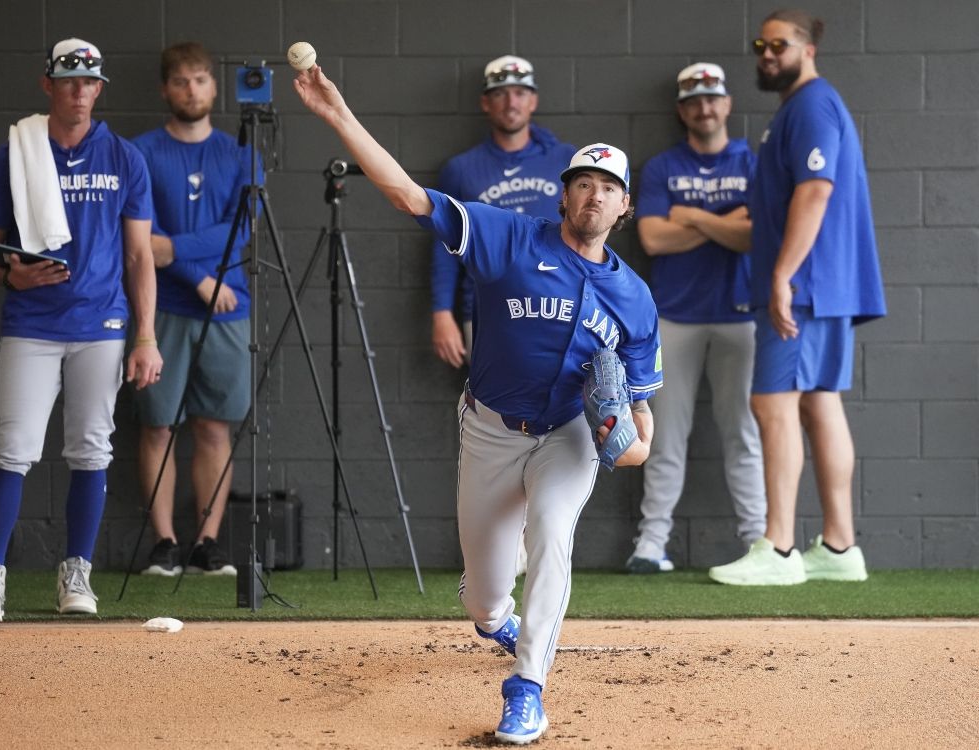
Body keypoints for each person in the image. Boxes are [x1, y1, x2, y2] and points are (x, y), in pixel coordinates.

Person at [292, 66, 662, 745]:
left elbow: (641, 415)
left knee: (553, 537)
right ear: (564, 194)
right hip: (491, 430)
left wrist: (632, 446)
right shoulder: (510, 238)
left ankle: (526, 689)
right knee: (484, 599)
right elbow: (408, 197)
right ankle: (497, 620)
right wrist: (338, 115)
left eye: (608, 188)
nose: (593, 195)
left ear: (625, 207)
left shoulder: (635, 298)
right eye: (583, 182)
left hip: (568, 437)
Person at [0, 38, 162, 623]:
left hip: (101, 323)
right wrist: (10, 273)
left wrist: (146, 335)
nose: (79, 91)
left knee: (91, 449)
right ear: (48, 85)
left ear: (99, 88)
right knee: (13, 448)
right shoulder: (15, 151)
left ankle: (75, 576)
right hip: (31, 320)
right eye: (67, 80)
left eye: (89, 82)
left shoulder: (125, 158)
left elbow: (139, 257)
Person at [709, 9, 886, 586]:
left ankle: (780, 549)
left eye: (778, 44)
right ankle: (839, 547)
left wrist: (782, 276)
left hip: (805, 287)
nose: (766, 53)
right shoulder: (800, 109)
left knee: (773, 406)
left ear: (807, 49)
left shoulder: (811, 106)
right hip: (820, 286)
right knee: (818, 403)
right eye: (760, 44)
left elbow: (814, 192)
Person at [628, 63, 765, 573]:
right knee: (663, 434)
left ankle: (759, 542)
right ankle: (651, 543)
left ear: (727, 104)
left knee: (743, 431)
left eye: (713, 99)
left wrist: (688, 216)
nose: (705, 108)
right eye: (694, 101)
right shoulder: (663, 166)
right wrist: (725, 222)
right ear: (682, 110)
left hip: (739, 313)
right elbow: (653, 239)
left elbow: (755, 235)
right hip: (674, 316)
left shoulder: (753, 162)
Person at [132, 42, 257, 577]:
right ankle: (164, 543)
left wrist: (179, 256)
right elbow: (142, 242)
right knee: (159, 426)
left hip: (228, 310)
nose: (192, 90)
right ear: (166, 89)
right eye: (182, 81)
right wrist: (199, 277)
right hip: (162, 309)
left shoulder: (241, 152)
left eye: (201, 80)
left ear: (214, 87)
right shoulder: (139, 151)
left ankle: (207, 543)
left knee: (213, 428)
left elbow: (242, 229)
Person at [430, 55, 576, 368]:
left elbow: (591, 233)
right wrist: (442, 313)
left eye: (520, 93)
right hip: (487, 311)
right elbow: (445, 246)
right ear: (486, 102)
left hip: (561, 306)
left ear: (533, 100)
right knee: (494, 413)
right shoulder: (461, 169)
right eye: (500, 94)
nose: (511, 103)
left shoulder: (565, 159)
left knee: (566, 410)